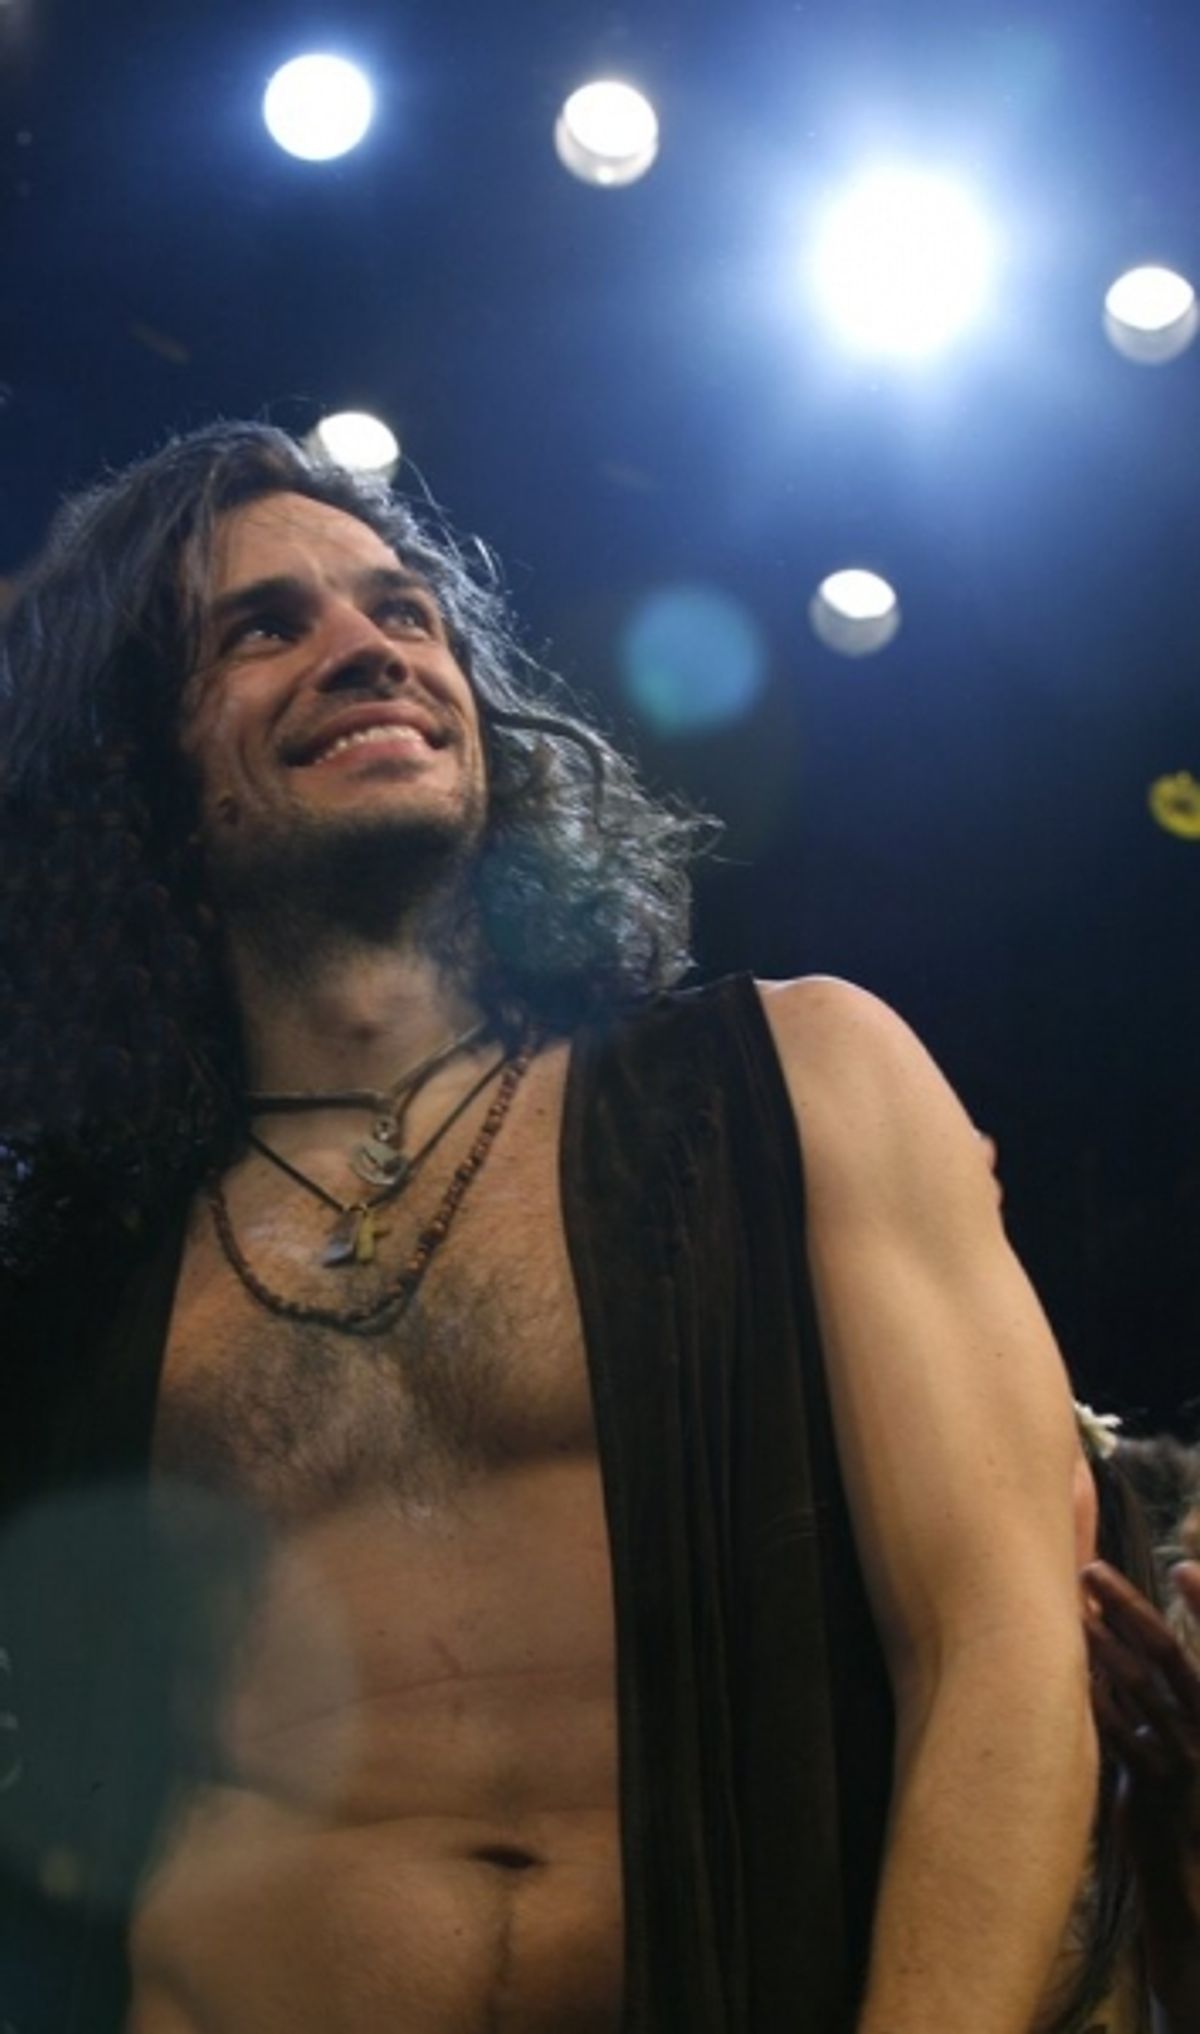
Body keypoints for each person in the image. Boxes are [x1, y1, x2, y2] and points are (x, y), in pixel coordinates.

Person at [0, 422, 1095, 2034]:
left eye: (404, 609)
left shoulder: (797, 1076)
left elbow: (997, 1639)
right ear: (133, 763)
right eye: (263, 628)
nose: (369, 647)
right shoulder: (80, 1271)